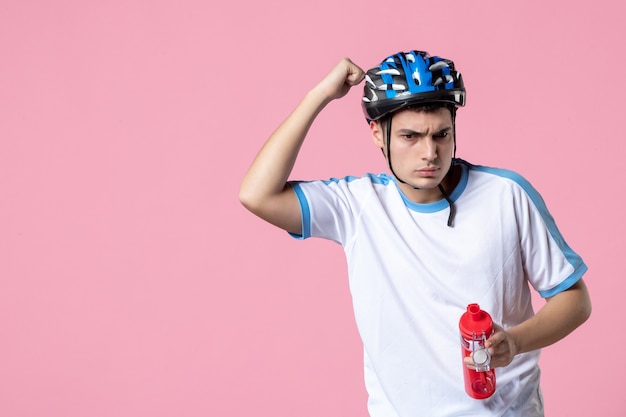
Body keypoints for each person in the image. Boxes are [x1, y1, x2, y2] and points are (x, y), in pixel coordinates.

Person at [239, 49, 591, 416]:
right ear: (377, 133)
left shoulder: (507, 195)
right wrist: (320, 95)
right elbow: (256, 194)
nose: (430, 153)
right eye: (410, 136)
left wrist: (515, 343)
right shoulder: (357, 206)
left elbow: (575, 300)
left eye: (442, 134)